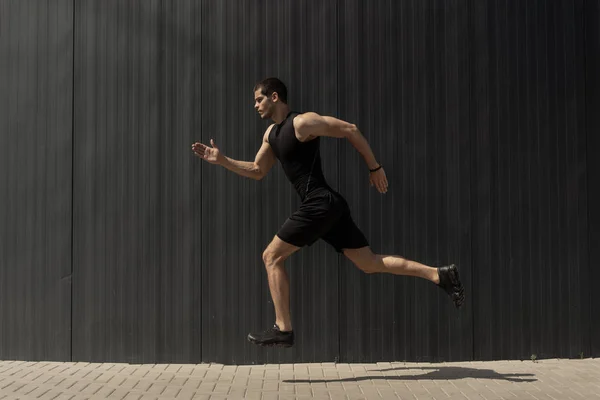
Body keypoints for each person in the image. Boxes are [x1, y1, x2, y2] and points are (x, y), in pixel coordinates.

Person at [191, 77, 464, 348]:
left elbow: (349, 129)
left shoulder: (302, 123)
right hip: (328, 206)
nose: (255, 105)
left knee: (271, 256)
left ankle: (283, 328)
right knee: (369, 263)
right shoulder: (271, 135)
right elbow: (257, 170)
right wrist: (222, 160)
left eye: (259, 99)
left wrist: (374, 167)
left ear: (275, 97)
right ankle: (439, 275)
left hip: (320, 202)